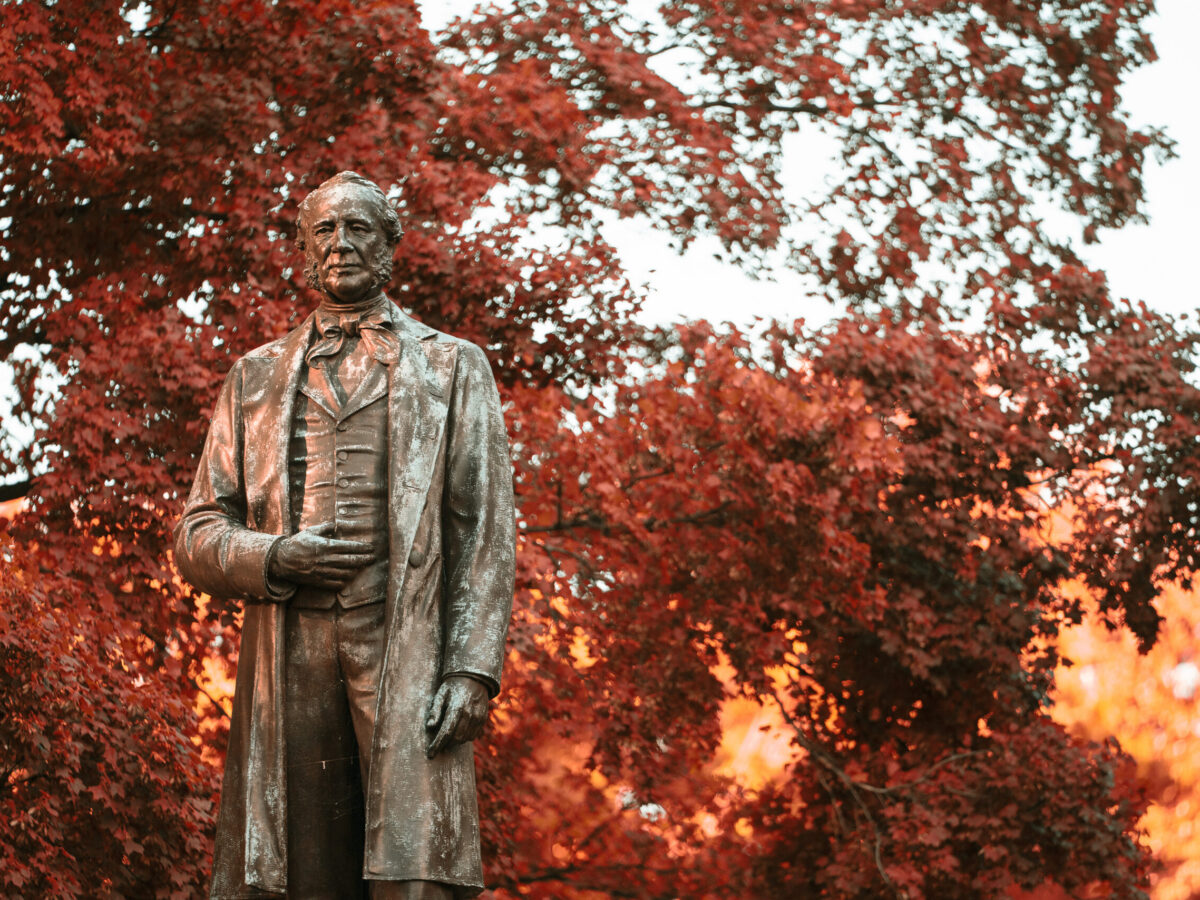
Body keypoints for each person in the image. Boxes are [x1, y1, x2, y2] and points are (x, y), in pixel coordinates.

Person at [175, 171, 515, 900]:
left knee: (412, 871)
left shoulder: (453, 366)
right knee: (299, 872)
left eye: (358, 227)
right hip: (290, 646)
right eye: (324, 230)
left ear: (389, 245)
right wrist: (274, 554)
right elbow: (198, 532)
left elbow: (484, 530)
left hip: (405, 641)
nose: (340, 243)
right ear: (304, 249)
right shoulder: (254, 378)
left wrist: (471, 669)